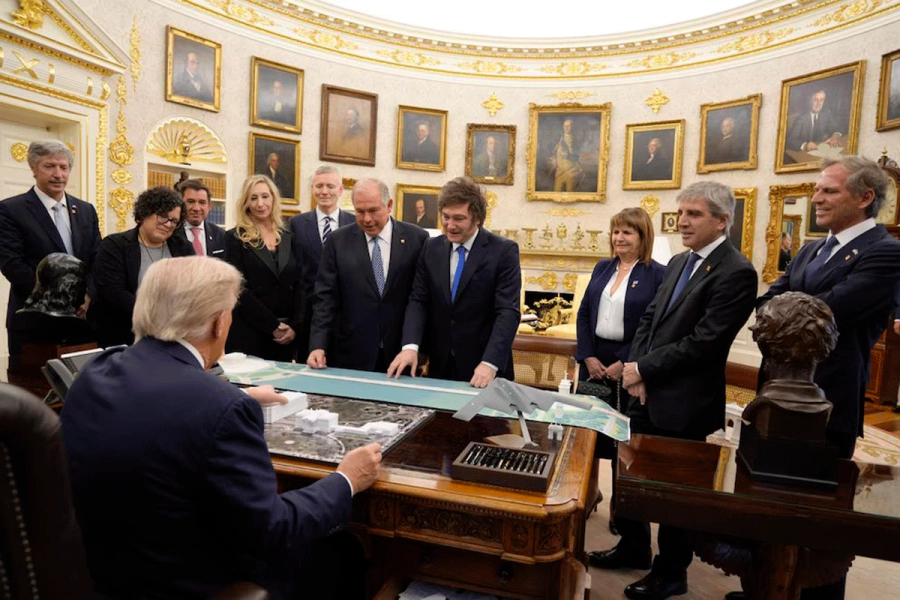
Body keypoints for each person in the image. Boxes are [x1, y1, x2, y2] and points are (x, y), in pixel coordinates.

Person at [61, 255, 382, 599]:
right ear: (218, 323)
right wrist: (346, 479)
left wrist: (228, 394)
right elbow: (274, 529)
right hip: (192, 585)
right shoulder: (223, 408)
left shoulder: (95, 373)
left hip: (99, 577)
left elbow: (161, 395)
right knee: (344, 552)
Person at [591, 181, 757, 600]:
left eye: (694, 214)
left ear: (722, 220)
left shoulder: (737, 271)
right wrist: (638, 371)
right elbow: (650, 319)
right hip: (645, 390)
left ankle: (671, 573)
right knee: (631, 473)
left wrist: (642, 367)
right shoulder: (681, 260)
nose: (683, 221)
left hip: (684, 401)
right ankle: (633, 547)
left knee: (675, 496)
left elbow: (705, 341)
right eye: (681, 212)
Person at [388, 176, 521, 388]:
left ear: (478, 218)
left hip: (486, 370)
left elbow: (507, 312)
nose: (449, 225)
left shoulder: (503, 251)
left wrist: (490, 363)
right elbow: (419, 300)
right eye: (446, 217)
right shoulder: (431, 248)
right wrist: (410, 347)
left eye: (458, 218)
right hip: (440, 366)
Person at [307, 179, 428, 372]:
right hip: (350, 353)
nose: (367, 219)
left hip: (400, 354)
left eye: (373, 211)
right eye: (360, 212)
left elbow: (421, 298)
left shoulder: (417, 239)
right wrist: (318, 345)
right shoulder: (338, 242)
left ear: (389, 206)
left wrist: (415, 346)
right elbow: (325, 298)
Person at [0, 140, 101, 367]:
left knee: (81, 391)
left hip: (81, 318)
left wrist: (89, 294)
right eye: (49, 166)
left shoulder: (85, 210)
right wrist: (55, 297)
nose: (58, 174)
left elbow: (97, 257)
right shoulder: (11, 210)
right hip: (35, 321)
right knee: (34, 394)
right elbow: (12, 264)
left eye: (63, 167)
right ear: (33, 168)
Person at [576, 207, 666, 417]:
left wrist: (625, 361)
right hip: (593, 360)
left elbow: (655, 326)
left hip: (630, 360)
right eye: (616, 232)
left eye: (627, 232)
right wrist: (588, 356)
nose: (619, 238)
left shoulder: (658, 274)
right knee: (587, 422)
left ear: (643, 237)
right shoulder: (602, 267)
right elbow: (584, 313)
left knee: (621, 426)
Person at [92, 186, 193, 347]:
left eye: (174, 221)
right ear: (144, 214)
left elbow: (193, 287)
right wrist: (156, 318)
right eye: (163, 217)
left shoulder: (183, 247)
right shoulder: (114, 246)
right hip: (125, 336)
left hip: (174, 337)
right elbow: (113, 293)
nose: (168, 224)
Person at [224, 175, 301, 362]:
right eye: (253, 198)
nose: (260, 203)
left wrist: (294, 326)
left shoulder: (289, 237)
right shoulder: (234, 238)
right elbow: (239, 290)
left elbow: (300, 284)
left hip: (286, 336)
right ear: (245, 203)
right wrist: (272, 326)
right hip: (250, 333)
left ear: (273, 198)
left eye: (265, 196)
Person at [290, 166, 356, 357]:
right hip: (308, 316)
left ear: (341, 190)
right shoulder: (297, 224)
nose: (324, 191)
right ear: (312, 189)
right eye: (319, 186)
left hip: (346, 315)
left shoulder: (355, 224)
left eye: (330, 186)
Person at [785, 89, 843, 157]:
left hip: (822, 153)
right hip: (804, 155)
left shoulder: (825, 115)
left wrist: (834, 137)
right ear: (809, 101)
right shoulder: (802, 119)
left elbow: (838, 127)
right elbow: (790, 140)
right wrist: (805, 145)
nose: (819, 104)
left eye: (821, 100)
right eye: (815, 100)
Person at [180, 179, 225, 257]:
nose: (196, 208)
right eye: (190, 202)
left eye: (202, 202)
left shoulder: (220, 235)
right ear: (180, 204)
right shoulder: (171, 234)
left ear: (210, 206)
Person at [551, 119, 584, 191]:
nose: (566, 128)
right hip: (559, 172)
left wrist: (568, 155)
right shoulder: (559, 138)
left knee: (570, 196)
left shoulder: (575, 141)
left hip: (571, 172)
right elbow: (555, 152)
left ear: (572, 127)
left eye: (569, 126)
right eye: (565, 126)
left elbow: (576, 156)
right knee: (556, 194)